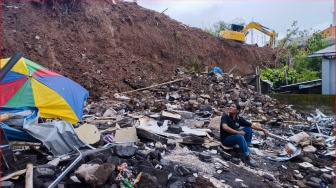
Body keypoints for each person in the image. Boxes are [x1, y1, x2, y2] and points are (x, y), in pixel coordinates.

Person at [220, 102, 269, 167]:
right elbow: (225, 128)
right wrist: (238, 132)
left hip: (234, 137)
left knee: (248, 129)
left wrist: (263, 130)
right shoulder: (225, 116)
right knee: (239, 136)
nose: (230, 107)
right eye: (230, 106)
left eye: (233, 106)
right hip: (226, 139)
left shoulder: (239, 119)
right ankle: (247, 157)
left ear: (237, 110)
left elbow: (252, 125)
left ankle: (245, 147)